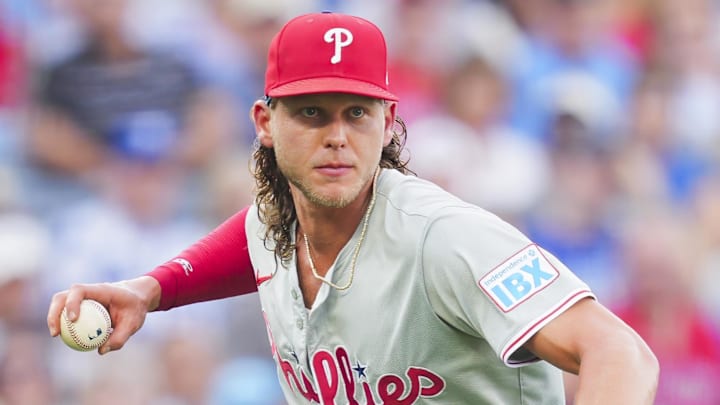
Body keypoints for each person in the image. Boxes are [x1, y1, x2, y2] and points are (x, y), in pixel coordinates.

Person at [47, 11, 658, 404]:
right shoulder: (282, 218)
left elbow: (620, 353)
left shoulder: (444, 239)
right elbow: (260, 229)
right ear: (265, 123)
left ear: (389, 124)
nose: (337, 135)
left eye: (357, 113)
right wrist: (152, 290)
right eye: (312, 112)